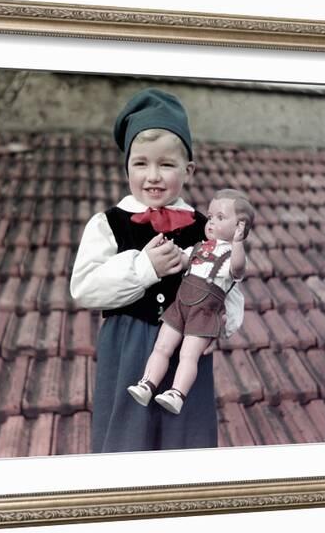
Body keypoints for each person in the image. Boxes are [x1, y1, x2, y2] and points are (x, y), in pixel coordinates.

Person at [70, 88, 244, 453]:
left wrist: (220, 326)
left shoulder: (205, 225)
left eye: (166, 164)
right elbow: (84, 288)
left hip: (187, 345)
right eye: (141, 163)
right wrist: (144, 267)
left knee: (185, 437)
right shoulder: (107, 224)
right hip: (127, 344)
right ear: (127, 167)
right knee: (127, 439)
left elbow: (228, 281)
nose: (153, 176)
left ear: (188, 170)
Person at [127, 189, 254, 415]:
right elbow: (183, 260)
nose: (211, 221)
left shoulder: (232, 257)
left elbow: (238, 268)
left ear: (239, 227)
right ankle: (147, 384)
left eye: (220, 217)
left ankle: (177, 394)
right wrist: (167, 249)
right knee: (162, 346)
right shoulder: (199, 246)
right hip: (181, 305)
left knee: (188, 355)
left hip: (204, 313)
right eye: (210, 215)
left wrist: (238, 242)